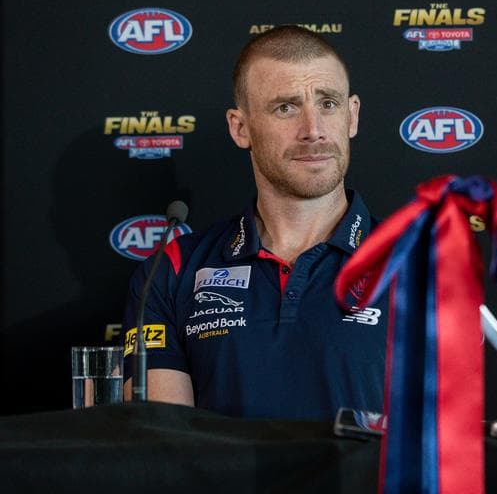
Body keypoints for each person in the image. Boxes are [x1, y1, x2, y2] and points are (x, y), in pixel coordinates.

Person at [122, 25, 385, 420]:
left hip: (365, 484)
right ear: (240, 127)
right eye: (286, 107)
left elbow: (447, 442)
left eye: (328, 103)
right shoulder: (172, 270)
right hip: (225, 484)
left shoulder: (424, 263)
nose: (313, 130)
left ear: (352, 116)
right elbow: (165, 446)